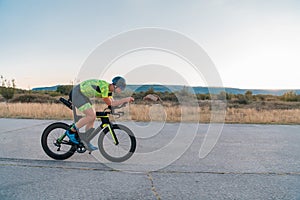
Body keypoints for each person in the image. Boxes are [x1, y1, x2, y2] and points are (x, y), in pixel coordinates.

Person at [65, 76, 134, 150]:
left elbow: (112, 103)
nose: (122, 90)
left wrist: (121, 104)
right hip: (77, 93)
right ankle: (71, 131)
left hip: (83, 95)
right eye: (121, 88)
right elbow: (110, 103)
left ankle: (86, 141)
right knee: (91, 115)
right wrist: (125, 99)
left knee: (92, 117)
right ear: (115, 85)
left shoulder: (109, 91)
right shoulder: (104, 87)